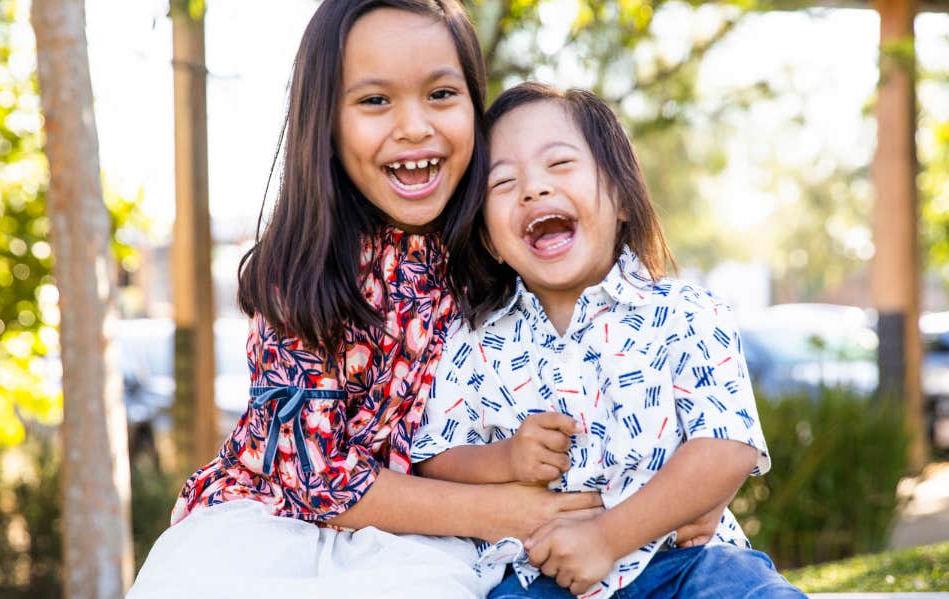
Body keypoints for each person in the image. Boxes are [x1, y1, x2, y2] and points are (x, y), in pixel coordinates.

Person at [125, 4, 609, 597]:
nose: (413, 127)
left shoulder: (497, 252)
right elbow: (317, 480)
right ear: (324, 122)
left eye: (440, 93)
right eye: (375, 101)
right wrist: (511, 514)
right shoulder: (305, 272)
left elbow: (600, 373)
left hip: (432, 536)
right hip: (275, 528)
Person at [412, 82, 808, 598]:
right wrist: (504, 459)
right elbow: (435, 456)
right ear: (490, 239)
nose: (533, 189)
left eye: (559, 165)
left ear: (620, 197)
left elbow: (727, 445)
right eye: (503, 182)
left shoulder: (686, 312)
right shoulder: (474, 342)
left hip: (685, 563)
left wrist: (607, 537)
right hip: (544, 577)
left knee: (746, 587)